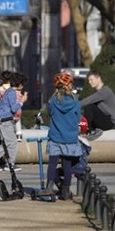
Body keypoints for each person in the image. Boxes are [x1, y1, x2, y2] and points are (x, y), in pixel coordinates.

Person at [39, 72, 82, 200]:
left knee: (52, 163)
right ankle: (65, 191)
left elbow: (50, 114)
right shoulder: (75, 102)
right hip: (70, 138)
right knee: (67, 164)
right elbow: (78, 118)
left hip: (55, 137)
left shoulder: (52, 101)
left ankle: (49, 187)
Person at [0, 72, 28, 172]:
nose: (23, 86)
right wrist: (22, 101)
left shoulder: (8, 91)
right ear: (19, 84)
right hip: (5, 120)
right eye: (23, 84)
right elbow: (13, 109)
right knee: (11, 142)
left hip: (3, 120)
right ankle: (1, 162)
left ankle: (6, 163)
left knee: (9, 142)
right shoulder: (12, 92)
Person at [80, 70, 115, 141]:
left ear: (98, 78)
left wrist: (71, 105)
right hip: (104, 120)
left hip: (110, 123)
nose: (89, 82)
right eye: (89, 80)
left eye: (91, 80)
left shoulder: (105, 91)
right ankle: (89, 130)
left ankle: (88, 132)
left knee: (89, 107)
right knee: (88, 109)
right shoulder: (98, 92)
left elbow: (88, 100)